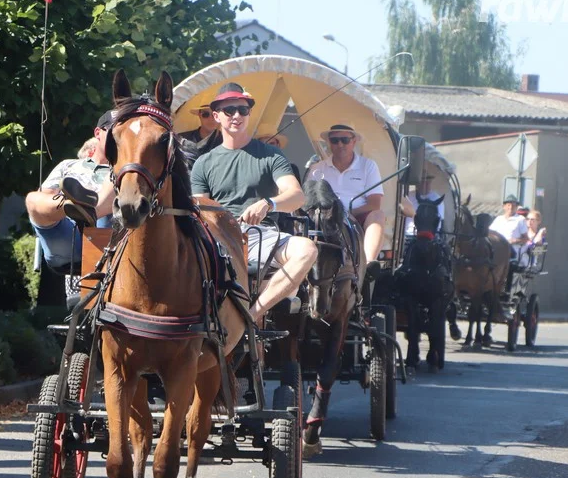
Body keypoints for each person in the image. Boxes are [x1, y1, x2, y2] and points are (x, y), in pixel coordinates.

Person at [190, 82, 317, 325]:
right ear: (216, 116)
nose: (237, 115)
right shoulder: (203, 163)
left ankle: (250, 316)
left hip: (261, 235)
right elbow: (199, 209)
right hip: (218, 238)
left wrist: (268, 204)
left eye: (242, 109)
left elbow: (297, 195)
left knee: (308, 249)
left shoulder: (271, 155)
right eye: (229, 111)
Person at [25, 108, 118, 268]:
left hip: (110, 235)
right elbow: (45, 198)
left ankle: (90, 209)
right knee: (32, 199)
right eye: (114, 130)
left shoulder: (127, 169)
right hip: (68, 235)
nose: (118, 136)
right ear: (98, 133)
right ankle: (78, 207)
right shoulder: (69, 165)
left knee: (117, 175)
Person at [305, 122, 386, 274]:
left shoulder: (368, 166)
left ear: (354, 141)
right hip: (324, 218)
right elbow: (309, 201)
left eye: (345, 140)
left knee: (378, 215)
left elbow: (375, 203)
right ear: (329, 143)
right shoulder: (317, 168)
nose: (340, 144)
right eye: (335, 140)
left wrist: (346, 212)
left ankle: (368, 264)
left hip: (357, 217)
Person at [399, 172, 444, 239]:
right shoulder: (408, 196)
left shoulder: (436, 198)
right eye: (422, 182)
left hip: (429, 237)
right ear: (417, 184)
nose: (424, 185)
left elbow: (438, 224)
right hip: (406, 236)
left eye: (427, 182)